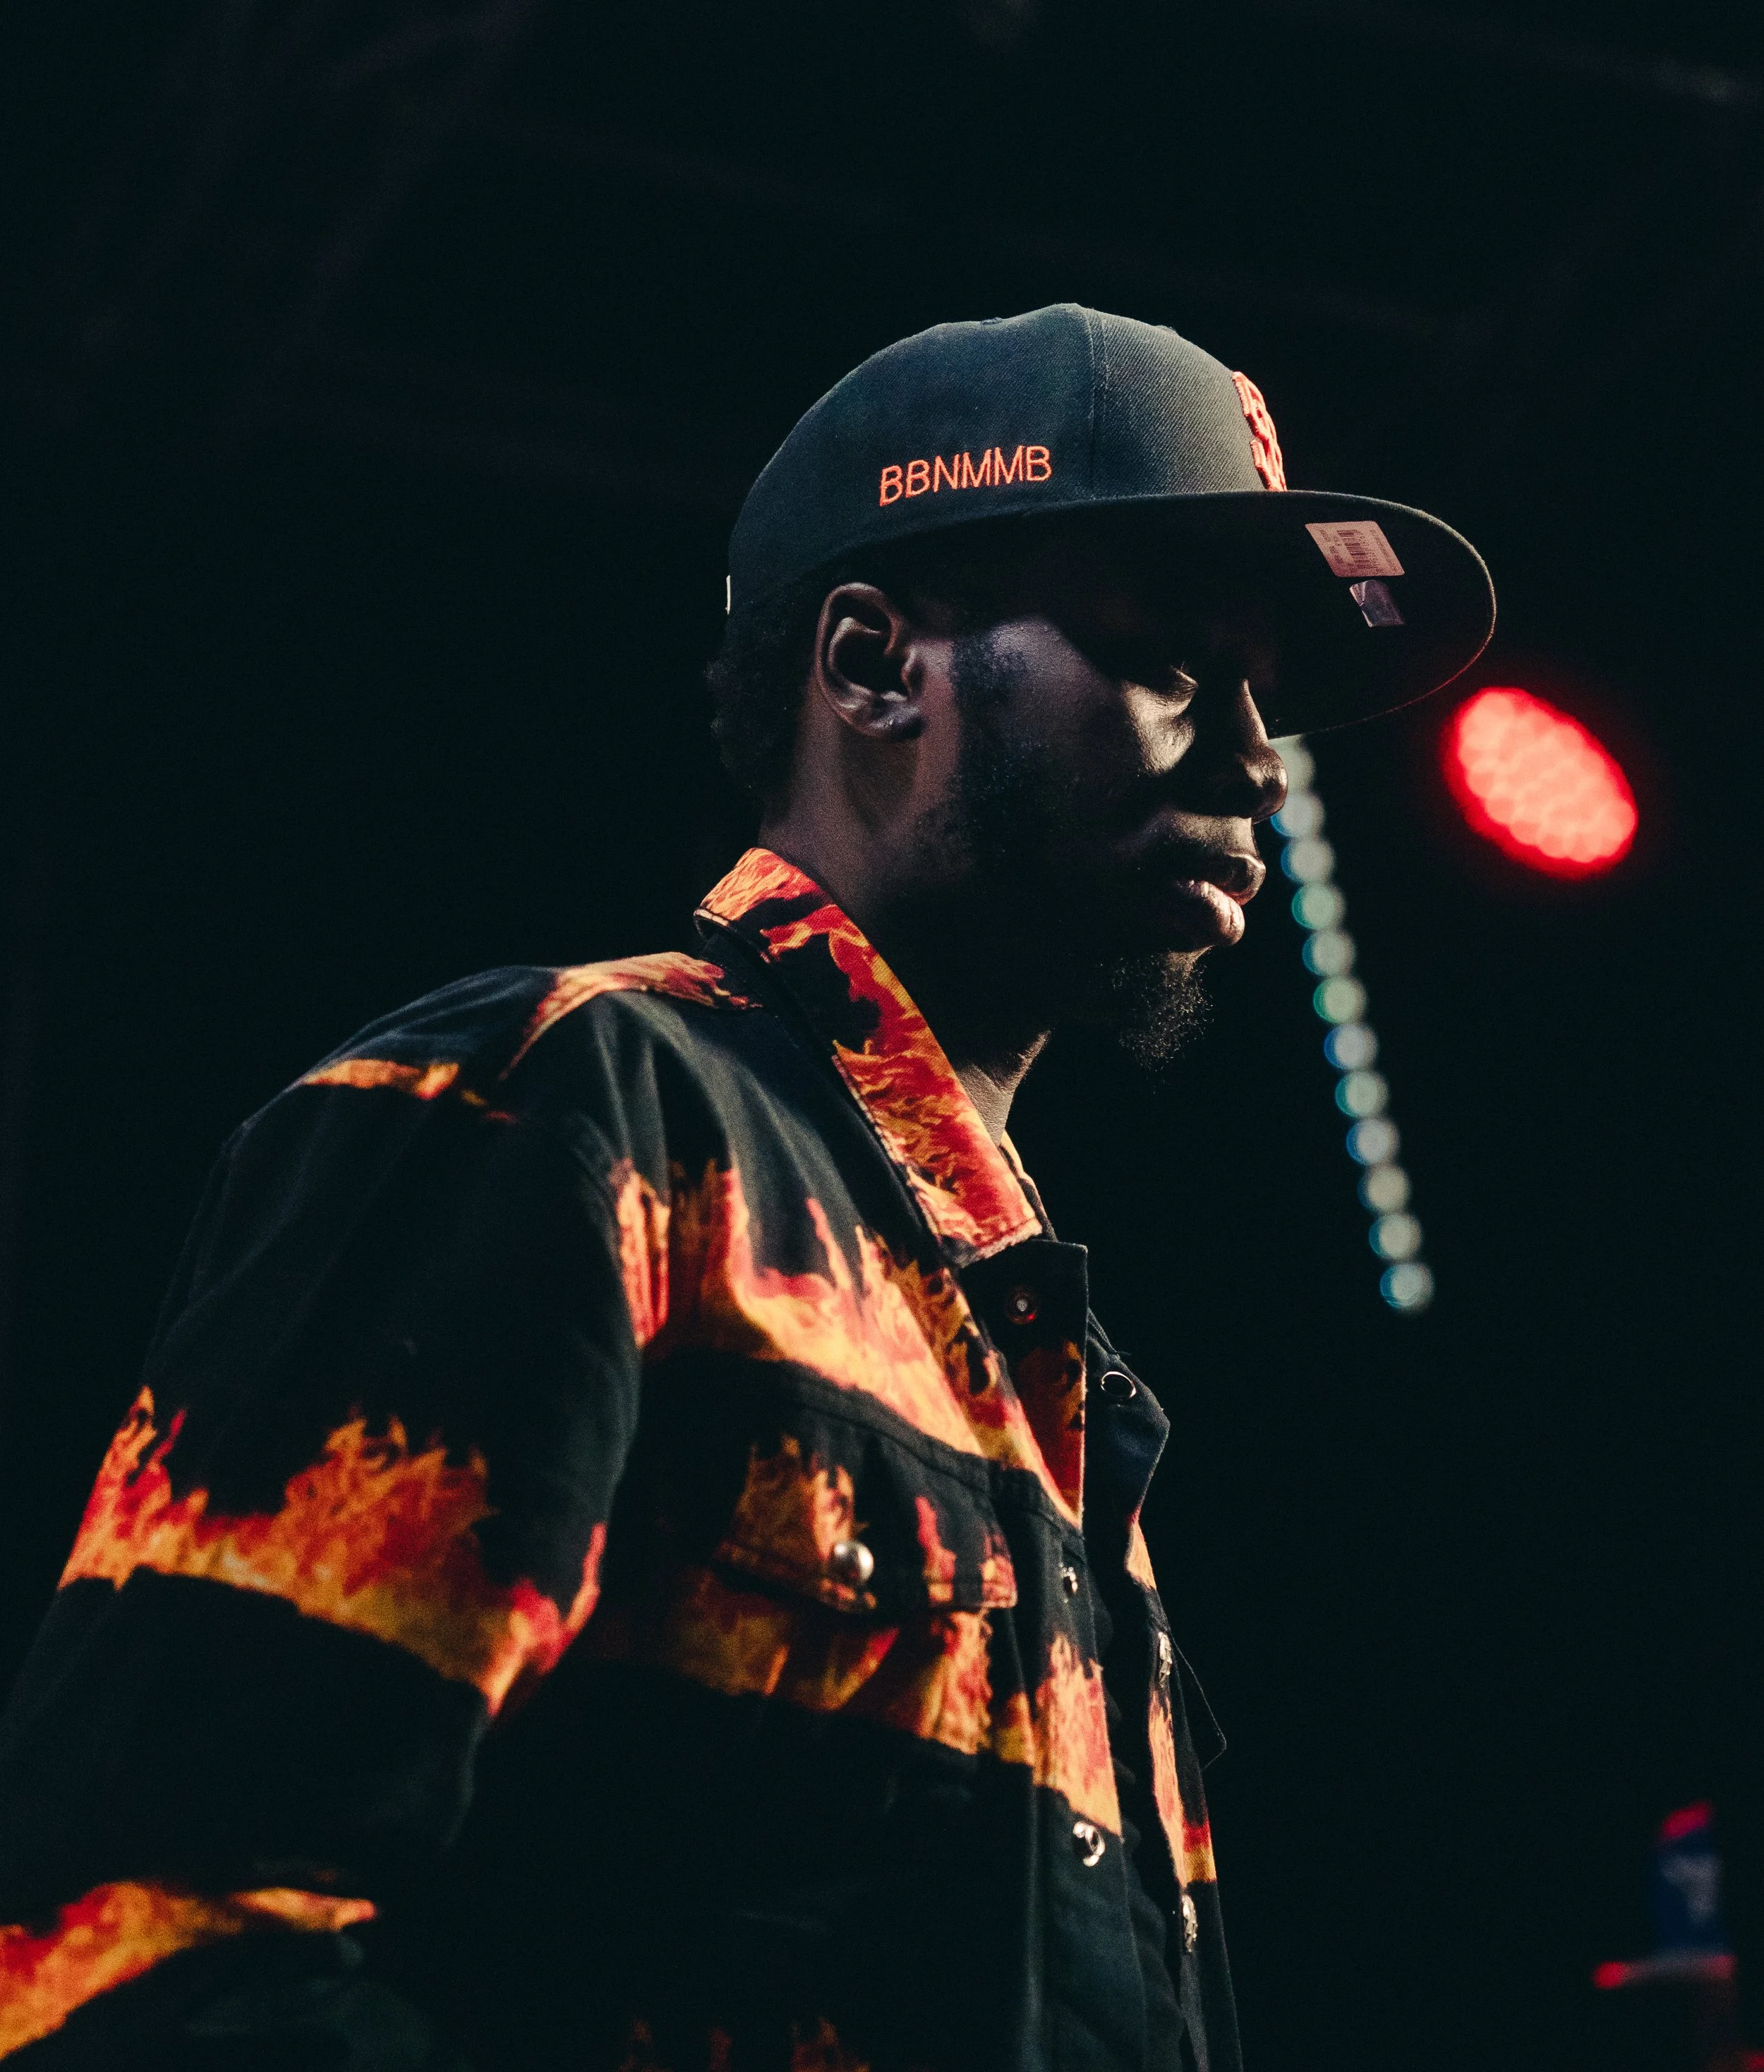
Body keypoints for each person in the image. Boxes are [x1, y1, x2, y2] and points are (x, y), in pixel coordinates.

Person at [0, 306, 1493, 2072]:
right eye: (1171, 656)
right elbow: (150, 1949)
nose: (1254, 763)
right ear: (872, 664)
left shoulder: (1046, 1376)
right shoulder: (564, 1103)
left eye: (1262, 698)